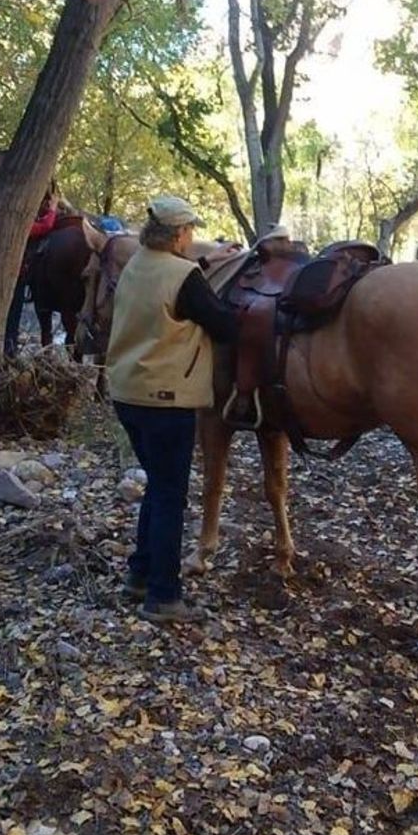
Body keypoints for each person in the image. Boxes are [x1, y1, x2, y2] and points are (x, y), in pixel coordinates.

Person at [105, 194, 240, 624]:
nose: (192, 238)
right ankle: (164, 595)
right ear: (180, 234)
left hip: (128, 393)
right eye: (190, 232)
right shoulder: (182, 276)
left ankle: (140, 574)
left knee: (157, 487)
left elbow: (173, 293)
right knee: (169, 496)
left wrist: (203, 265)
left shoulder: (136, 264)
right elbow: (223, 323)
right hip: (167, 400)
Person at [4, 187, 59, 358]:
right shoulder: (17, 223)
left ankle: (9, 347)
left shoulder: (8, 218)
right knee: (12, 314)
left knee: (13, 313)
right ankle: (9, 349)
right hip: (15, 275)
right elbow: (45, 226)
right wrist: (53, 209)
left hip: (15, 274)